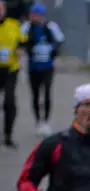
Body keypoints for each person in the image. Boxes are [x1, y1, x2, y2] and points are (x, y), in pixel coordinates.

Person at [21, 2, 64, 136]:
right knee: (35, 94)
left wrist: (54, 52)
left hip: (47, 67)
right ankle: (38, 121)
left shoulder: (51, 27)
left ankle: (45, 121)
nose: (35, 18)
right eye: (32, 15)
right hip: (33, 67)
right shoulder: (27, 28)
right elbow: (20, 40)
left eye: (37, 15)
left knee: (46, 92)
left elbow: (60, 41)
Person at [0, 0, 26, 148]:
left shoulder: (13, 25)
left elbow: (22, 41)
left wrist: (20, 49)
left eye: (1, 8)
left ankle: (8, 134)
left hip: (10, 69)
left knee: (9, 102)